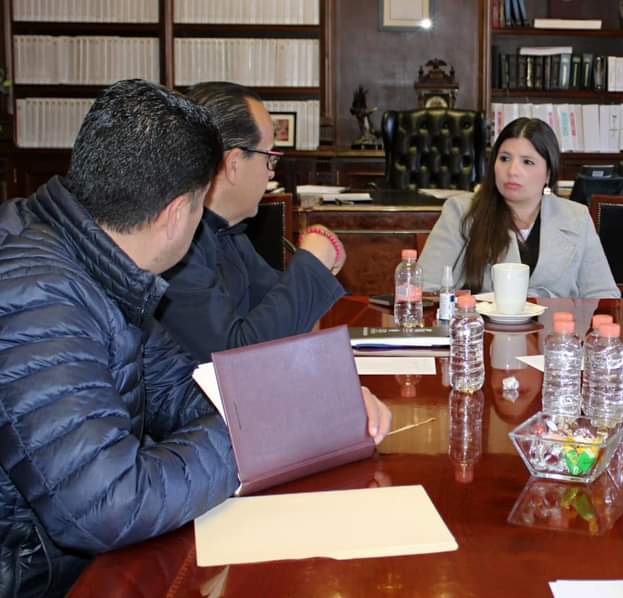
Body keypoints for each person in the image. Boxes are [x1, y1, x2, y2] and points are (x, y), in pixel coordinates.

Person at [0, 80, 390, 598]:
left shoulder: (96, 258)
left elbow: (182, 391)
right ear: (174, 215)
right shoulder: (39, 293)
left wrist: (316, 406)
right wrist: (258, 433)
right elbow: (109, 506)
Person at [156, 81, 347, 363]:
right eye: (269, 158)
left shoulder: (226, 231)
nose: (271, 173)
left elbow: (280, 312)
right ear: (233, 163)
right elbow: (238, 356)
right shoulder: (176, 244)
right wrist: (314, 261)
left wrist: (313, 267)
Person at [418, 117, 620, 298]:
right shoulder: (461, 211)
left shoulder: (576, 217)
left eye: (528, 162)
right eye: (504, 158)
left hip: (554, 332)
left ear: (548, 173)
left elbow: (604, 294)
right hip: (481, 333)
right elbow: (425, 287)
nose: (513, 171)